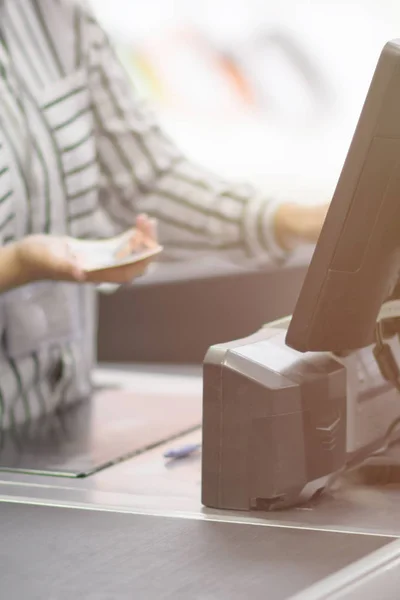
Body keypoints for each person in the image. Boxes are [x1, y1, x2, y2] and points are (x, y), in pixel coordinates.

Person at [0, 0, 328, 431]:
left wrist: (300, 221)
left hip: (55, 418)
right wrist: (20, 264)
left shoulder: (57, 14)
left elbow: (146, 181)